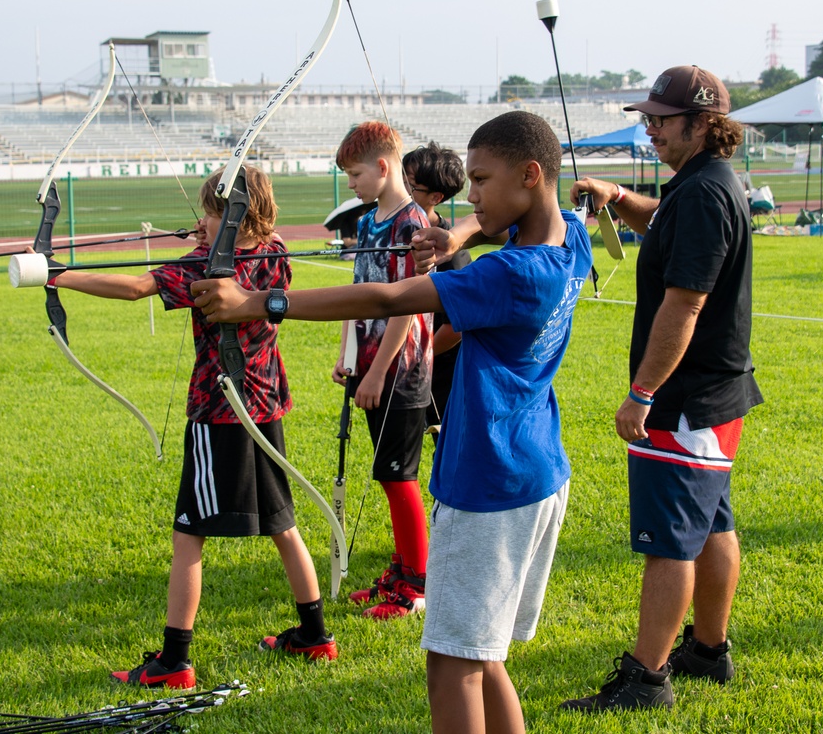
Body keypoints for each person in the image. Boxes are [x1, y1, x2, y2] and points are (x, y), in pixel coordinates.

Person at [192, 110, 593, 734]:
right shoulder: (568, 238)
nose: (472, 195)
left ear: (531, 174)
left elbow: (387, 299)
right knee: (484, 658)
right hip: (536, 469)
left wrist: (256, 302)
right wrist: (460, 236)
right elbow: (520, 221)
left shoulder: (511, 274)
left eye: (482, 181)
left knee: (451, 661)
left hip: (488, 484)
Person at [45, 166, 337, 690]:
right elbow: (242, 252)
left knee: (189, 534)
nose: (199, 222)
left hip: (219, 411)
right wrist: (211, 236)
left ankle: (174, 661)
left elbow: (136, 287)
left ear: (229, 216)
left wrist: (58, 275)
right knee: (282, 523)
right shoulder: (275, 251)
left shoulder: (204, 268)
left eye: (208, 212)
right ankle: (315, 634)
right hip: (264, 406)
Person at [560, 65, 764, 712]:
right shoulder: (700, 184)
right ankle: (708, 650)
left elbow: (685, 305)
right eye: (647, 117)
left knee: (671, 539)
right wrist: (618, 197)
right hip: (717, 392)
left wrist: (643, 393)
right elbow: (665, 224)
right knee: (710, 525)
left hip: (684, 398)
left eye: (661, 119)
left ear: (704, 123)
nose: (650, 128)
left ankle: (646, 680)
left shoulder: (703, 194)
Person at [333, 121, 434, 619]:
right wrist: (349, 353)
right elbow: (361, 292)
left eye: (354, 174)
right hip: (371, 367)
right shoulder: (372, 220)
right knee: (386, 472)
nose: (350, 184)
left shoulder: (412, 225)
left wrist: (376, 373)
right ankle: (400, 568)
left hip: (402, 373)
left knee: (399, 477)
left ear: (381, 166)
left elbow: (407, 306)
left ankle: (416, 587)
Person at [402, 141, 469, 444]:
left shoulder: (451, 256)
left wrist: (420, 356)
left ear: (436, 197)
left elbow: (456, 325)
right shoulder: (398, 232)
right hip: (409, 367)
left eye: (410, 185)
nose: (401, 189)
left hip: (441, 375)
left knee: (448, 443)